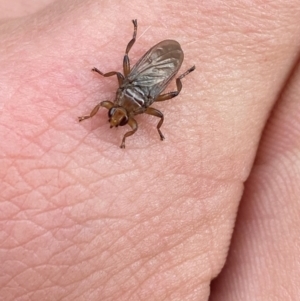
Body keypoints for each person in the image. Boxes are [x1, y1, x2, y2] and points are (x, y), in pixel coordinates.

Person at [1, 1, 299, 300]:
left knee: (142, 71)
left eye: (118, 116)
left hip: (146, 85)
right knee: (127, 62)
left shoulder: (139, 114)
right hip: (143, 86)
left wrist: (130, 136)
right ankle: (148, 44)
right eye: (116, 114)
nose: (116, 119)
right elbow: (119, 101)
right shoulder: (123, 105)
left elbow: (143, 119)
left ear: (129, 113)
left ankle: (169, 63)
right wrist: (97, 118)